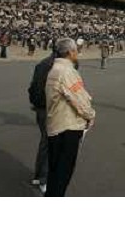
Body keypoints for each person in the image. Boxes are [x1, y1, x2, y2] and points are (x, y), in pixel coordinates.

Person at [45, 38, 96, 197]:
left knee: (54, 170)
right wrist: (91, 114)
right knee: (63, 171)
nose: (77, 53)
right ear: (70, 52)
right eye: (76, 50)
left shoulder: (55, 68)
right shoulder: (67, 72)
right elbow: (79, 99)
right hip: (67, 126)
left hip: (55, 123)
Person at [27, 51, 57, 193]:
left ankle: (39, 177)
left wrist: (35, 103)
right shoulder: (58, 67)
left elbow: (33, 87)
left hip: (40, 108)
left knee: (45, 143)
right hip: (50, 109)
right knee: (50, 144)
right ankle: (43, 179)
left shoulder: (43, 63)